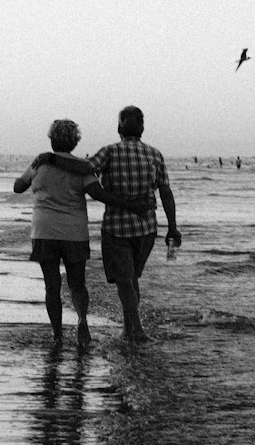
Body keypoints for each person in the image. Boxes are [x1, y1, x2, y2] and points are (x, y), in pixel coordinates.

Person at [38, 106, 180, 344]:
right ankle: (129, 330)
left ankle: (137, 332)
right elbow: (165, 192)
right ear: (142, 128)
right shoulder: (155, 154)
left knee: (125, 280)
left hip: (116, 228)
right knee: (132, 278)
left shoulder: (110, 152)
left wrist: (52, 158)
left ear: (118, 128)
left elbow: (85, 168)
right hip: (147, 229)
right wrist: (173, 227)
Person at [14, 120, 108, 348]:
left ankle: (57, 335)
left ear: (51, 139)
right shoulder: (81, 167)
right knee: (77, 284)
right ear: (75, 141)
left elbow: (18, 187)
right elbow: (97, 193)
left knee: (52, 286)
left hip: (44, 231)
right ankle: (82, 321)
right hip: (74, 232)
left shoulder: (40, 164)